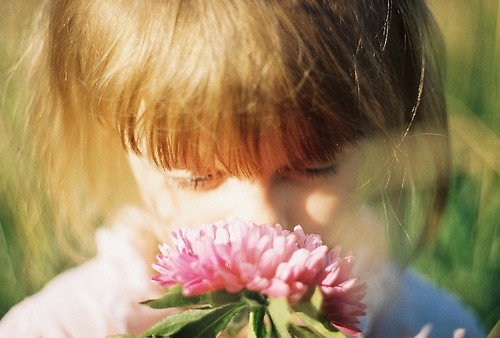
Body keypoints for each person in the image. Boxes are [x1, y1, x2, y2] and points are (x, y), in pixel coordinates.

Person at [0, 0, 485, 337]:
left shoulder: (433, 328)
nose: (262, 221)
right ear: (117, 139)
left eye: (315, 166)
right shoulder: (58, 329)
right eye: (196, 176)